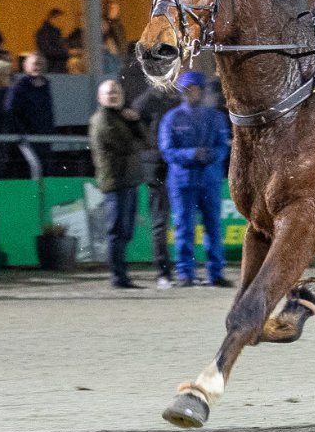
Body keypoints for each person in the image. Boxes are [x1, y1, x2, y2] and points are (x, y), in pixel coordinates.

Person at [160, 71, 232, 287]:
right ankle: (185, 273)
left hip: (209, 180)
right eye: (188, 89)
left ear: (202, 91)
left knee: (213, 227)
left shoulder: (216, 117)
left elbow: (224, 146)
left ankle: (215, 273)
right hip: (183, 181)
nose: (193, 92)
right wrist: (192, 154)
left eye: (196, 88)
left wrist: (210, 155)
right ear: (183, 92)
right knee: (184, 228)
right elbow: (167, 150)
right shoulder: (172, 118)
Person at [90, 79, 148, 288]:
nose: (113, 96)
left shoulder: (121, 117)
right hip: (115, 181)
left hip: (128, 180)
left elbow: (146, 141)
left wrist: (135, 123)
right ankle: (118, 276)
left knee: (125, 230)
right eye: (109, 93)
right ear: (100, 97)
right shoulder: (103, 120)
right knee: (116, 230)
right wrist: (133, 124)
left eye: (116, 92)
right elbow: (127, 144)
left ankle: (122, 274)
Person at [129, 78, 180, 287]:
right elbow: (134, 131)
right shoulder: (145, 102)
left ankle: (181, 269)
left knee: (178, 219)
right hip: (156, 165)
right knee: (160, 220)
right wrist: (149, 151)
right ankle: (163, 271)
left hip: (177, 163)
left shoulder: (175, 100)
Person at [6, 54, 55, 176]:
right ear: (25, 66)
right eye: (34, 64)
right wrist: (22, 134)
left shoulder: (46, 86)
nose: (38, 67)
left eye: (41, 64)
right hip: (26, 141)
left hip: (45, 140)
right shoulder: (19, 87)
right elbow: (10, 112)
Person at [35, 9, 71, 73]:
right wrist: (67, 52)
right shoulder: (44, 33)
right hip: (52, 67)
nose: (62, 22)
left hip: (58, 66)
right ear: (53, 19)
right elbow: (47, 50)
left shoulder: (56, 32)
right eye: (60, 20)